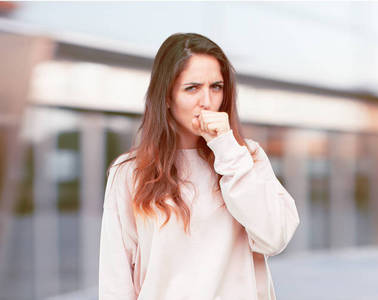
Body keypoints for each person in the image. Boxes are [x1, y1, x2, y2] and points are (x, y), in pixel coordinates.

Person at [98, 33, 300, 300]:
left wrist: (226, 148)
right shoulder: (129, 173)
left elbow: (275, 237)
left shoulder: (246, 157)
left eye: (216, 87)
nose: (206, 101)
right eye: (192, 88)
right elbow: (116, 281)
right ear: (167, 97)